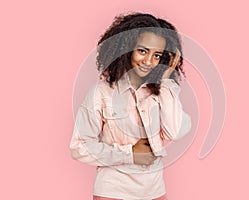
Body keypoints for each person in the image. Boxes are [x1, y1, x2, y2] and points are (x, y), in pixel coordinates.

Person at [69, 12, 191, 200]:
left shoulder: (163, 93)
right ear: (126, 49)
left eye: (157, 55)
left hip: (154, 190)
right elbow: (79, 147)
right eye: (142, 51)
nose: (149, 61)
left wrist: (166, 80)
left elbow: (174, 133)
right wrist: (129, 154)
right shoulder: (102, 93)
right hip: (113, 191)